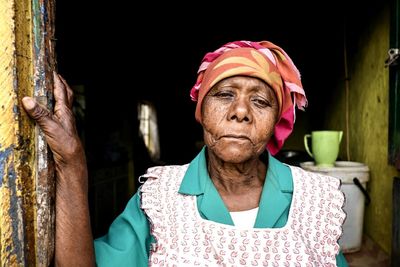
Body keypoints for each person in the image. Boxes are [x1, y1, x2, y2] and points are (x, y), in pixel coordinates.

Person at [22, 40, 349, 266]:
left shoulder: (314, 199)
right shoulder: (159, 199)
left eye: (260, 101)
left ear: (276, 119)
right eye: (224, 95)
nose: (240, 112)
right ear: (201, 111)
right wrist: (71, 161)